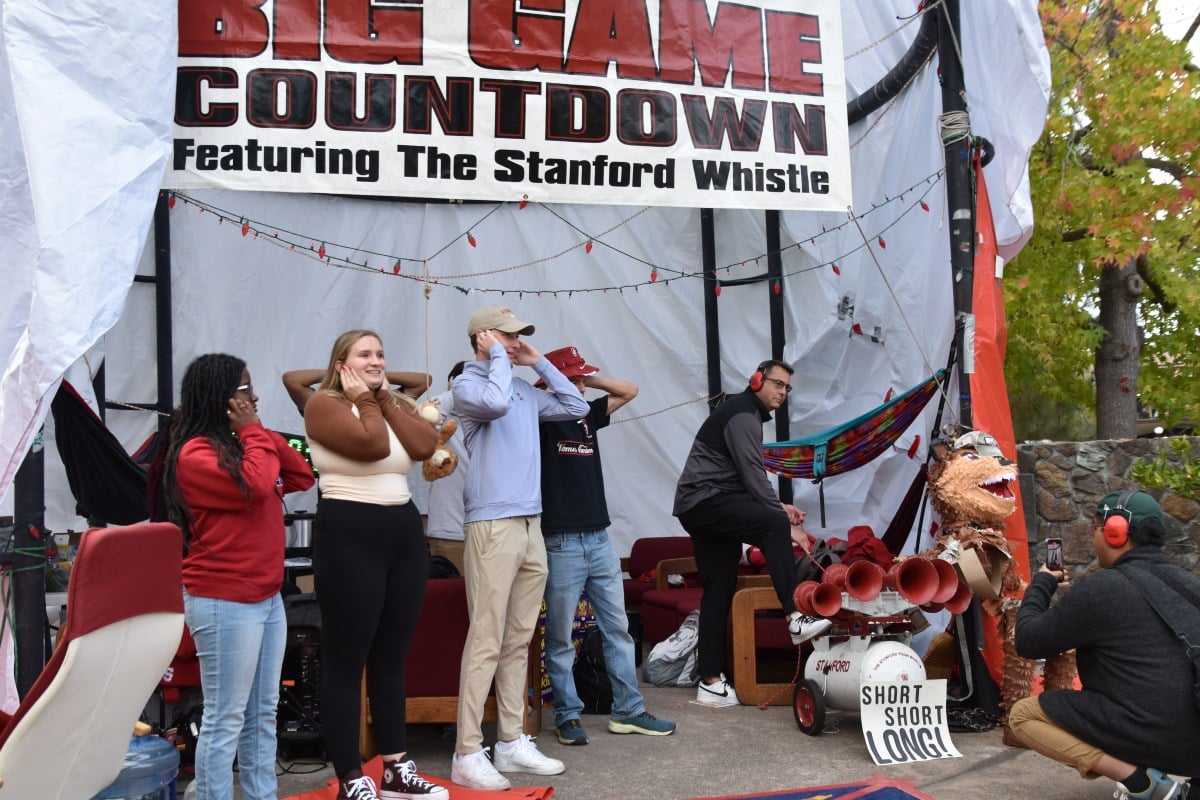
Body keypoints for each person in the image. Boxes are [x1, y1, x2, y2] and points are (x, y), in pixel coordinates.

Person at [163, 354, 316, 800]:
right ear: (222, 398)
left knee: (262, 712)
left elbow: (301, 473)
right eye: (245, 390)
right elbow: (253, 486)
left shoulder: (243, 444)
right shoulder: (195, 454)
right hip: (224, 598)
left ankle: (261, 793)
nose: (254, 397)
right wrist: (251, 431)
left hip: (265, 596)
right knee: (226, 716)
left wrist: (255, 429)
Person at [449, 305, 589, 791]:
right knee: (485, 638)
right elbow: (494, 404)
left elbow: (577, 408)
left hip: (531, 522)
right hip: (491, 522)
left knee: (518, 638)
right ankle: (467, 750)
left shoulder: (526, 388)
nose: (516, 342)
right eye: (509, 336)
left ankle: (510, 741)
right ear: (483, 338)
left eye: (519, 336)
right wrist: (498, 359)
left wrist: (540, 361)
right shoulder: (468, 386)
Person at [302, 330, 447, 800]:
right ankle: (350, 777)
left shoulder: (393, 402)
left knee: (392, 657)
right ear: (341, 362)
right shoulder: (323, 405)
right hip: (349, 531)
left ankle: (395, 768)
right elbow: (372, 448)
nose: (377, 360)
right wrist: (366, 400)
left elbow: (424, 447)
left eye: (381, 353)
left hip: (402, 532)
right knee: (347, 661)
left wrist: (384, 398)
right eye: (365, 354)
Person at [1011, 489, 1199, 800]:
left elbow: (1029, 641)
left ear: (1116, 532)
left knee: (1023, 715)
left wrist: (1043, 583)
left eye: (1096, 526)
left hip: (1154, 733)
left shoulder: (1103, 588)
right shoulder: (1189, 584)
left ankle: (1145, 784)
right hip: (1193, 740)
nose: (1093, 534)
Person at [536, 346, 676, 745]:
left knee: (618, 629)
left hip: (599, 538)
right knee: (560, 636)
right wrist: (563, 382)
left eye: (583, 380)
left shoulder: (585, 414)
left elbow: (629, 390)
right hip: (560, 540)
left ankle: (628, 711)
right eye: (574, 379)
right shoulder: (540, 417)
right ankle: (567, 716)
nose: (581, 386)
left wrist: (584, 380)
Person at [672, 359, 829, 707]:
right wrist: (782, 521)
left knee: (718, 589)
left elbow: (741, 480)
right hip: (706, 502)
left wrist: (781, 508)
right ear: (756, 380)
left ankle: (710, 682)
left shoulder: (745, 414)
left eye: (787, 388)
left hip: (703, 505)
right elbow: (753, 475)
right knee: (772, 525)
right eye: (777, 384)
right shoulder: (743, 414)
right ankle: (794, 617)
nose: (782, 392)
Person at [424, 361, 468, 574]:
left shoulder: (492, 416)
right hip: (450, 531)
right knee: (452, 601)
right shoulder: (442, 415)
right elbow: (422, 437)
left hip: (490, 532)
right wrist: (452, 394)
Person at [283, 367, 431, 416]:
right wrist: (339, 372)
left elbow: (424, 380)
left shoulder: (385, 403)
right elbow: (291, 380)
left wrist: (376, 375)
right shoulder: (326, 405)